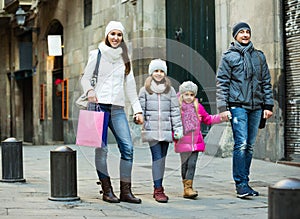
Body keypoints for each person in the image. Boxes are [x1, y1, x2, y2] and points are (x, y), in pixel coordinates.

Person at [80, 21, 144, 204]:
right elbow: (85, 79)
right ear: (107, 35)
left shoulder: (125, 57)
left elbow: (130, 87)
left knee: (128, 148)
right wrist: (90, 92)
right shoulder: (96, 54)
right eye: (112, 34)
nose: (116, 38)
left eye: (119, 35)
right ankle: (107, 190)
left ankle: (126, 191)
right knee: (102, 149)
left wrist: (137, 110)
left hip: (117, 109)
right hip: (98, 107)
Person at [216, 22, 274, 198]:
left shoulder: (259, 56)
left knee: (249, 146)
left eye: (247, 31)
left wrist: (268, 105)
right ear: (235, 36)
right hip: (237, 106)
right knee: (240, 144)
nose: (245, 34)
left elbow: (266, 82)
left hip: (256, 107)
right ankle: (240, 184)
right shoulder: (228, 57)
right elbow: (222, 83)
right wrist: (223, 108)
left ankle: (246, 183)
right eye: (241, 32)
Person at [138, 59, 183, 203]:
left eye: (161, 71)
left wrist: (177, 129)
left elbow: (175, 111)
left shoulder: (170, 90)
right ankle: (158, 189)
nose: (159, 74)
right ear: (151, 73)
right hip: (152, 131)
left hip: (166, 130)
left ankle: (158, 185)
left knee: (162, 160)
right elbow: (140, 110)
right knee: (157, 158)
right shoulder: (145, 90)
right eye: (156, 71)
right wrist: (139, 119)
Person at [174, 81, 223, 199]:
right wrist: (174, 134)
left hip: (195, 143)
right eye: (186, 94)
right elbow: (173, 123)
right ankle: (185, 187)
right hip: (182, 141)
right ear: (181, 95)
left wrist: (220, 117)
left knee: (192, 164)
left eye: (191, 95)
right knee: (184, 164)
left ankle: (189, 187)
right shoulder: (178, 109)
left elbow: (207, 118)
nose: (189, 97)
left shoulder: (198, 107)